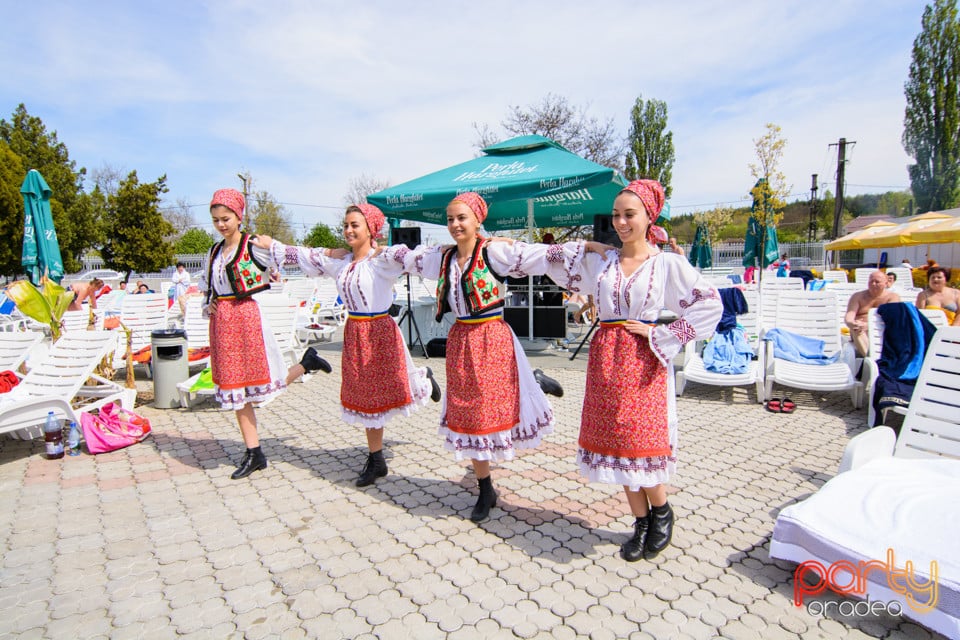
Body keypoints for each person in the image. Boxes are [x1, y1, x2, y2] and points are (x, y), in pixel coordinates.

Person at [536, 180, 723, 562]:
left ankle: (662, 512)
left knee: (642, 444)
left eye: (629, 214)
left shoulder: (666, 263)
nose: (621, 222)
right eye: (617, 215)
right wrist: (587, 245)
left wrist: (666, 332)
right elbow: (548, 258)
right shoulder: (602, 263)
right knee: (617, 445)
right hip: (605, 361)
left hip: (644, 362)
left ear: (648, 216)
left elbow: (710, 304)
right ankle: (640, 523)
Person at [255, 203, 441, 488]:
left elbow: (418, 256)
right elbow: (307, 256)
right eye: (346, 225)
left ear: (371, 229)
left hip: (380, 332)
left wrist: (462, 246)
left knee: (389, 393)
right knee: (367, 398)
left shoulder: (383, 258)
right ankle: (377, 458)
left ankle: (423, 380)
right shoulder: (340, 262)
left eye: (355, 225)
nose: (348, 230)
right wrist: (274, 245)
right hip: (354, 333)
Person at [403, 192, 562, 523]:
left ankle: (531, 381)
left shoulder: (494, 252)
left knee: (491, 409)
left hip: (491, 338)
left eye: (462, 218)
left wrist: (587, 248)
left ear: (478, 220)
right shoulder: (444, 258)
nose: (455, 224)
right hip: (461, 340)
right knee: (468, 414)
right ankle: (485, 487)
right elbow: (407, 257)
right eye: (450, 219)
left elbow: (537, 255)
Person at [198, 188, 330, 480]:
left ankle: (306, 364)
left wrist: (329, 254)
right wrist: (209, 306)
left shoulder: (253, 245)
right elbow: (208, 286)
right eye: (216, 219)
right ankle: (254, 451)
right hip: (222, 323)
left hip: (245, 318)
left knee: (260, 383)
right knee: (238, 389)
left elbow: (291, 256)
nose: (221, 224)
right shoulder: (214, 252)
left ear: (238, 216)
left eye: (226, 218)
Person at [845, 270, 902, 357]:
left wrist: (868, 326)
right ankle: (872, 360)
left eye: (877, 282)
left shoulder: (892, 297)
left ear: (886, 283)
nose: (873, 284)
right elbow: (849, 317)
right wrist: (853, 324)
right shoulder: (857, 296)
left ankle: (872, 361)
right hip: (860, 331)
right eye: (871, 281)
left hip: (881, 331)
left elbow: (892, 320)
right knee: (856, 329)